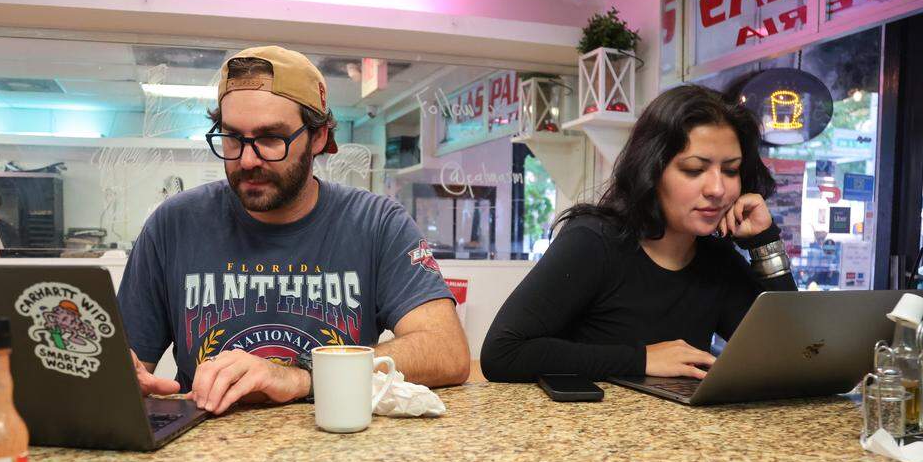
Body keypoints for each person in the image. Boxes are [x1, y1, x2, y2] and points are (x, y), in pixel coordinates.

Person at [118, 45, 469, 414]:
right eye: (233, 138)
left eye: (271, 138)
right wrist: (123, 376)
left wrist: (302, 376)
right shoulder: (174, 225)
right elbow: (128, 366)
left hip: (335, 442)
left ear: (317, 138)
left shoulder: (376, 223)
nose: (247, 159)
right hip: (207, 447)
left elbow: (446, 350)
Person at [481, 84, 798, 382]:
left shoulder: (716, 259)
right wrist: (641, 360)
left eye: (730, 170)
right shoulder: (593, 242)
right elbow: (503, 352)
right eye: (694, 170)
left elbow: (790, 354)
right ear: (652, 170)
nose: (718, 189)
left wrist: (765, 241)